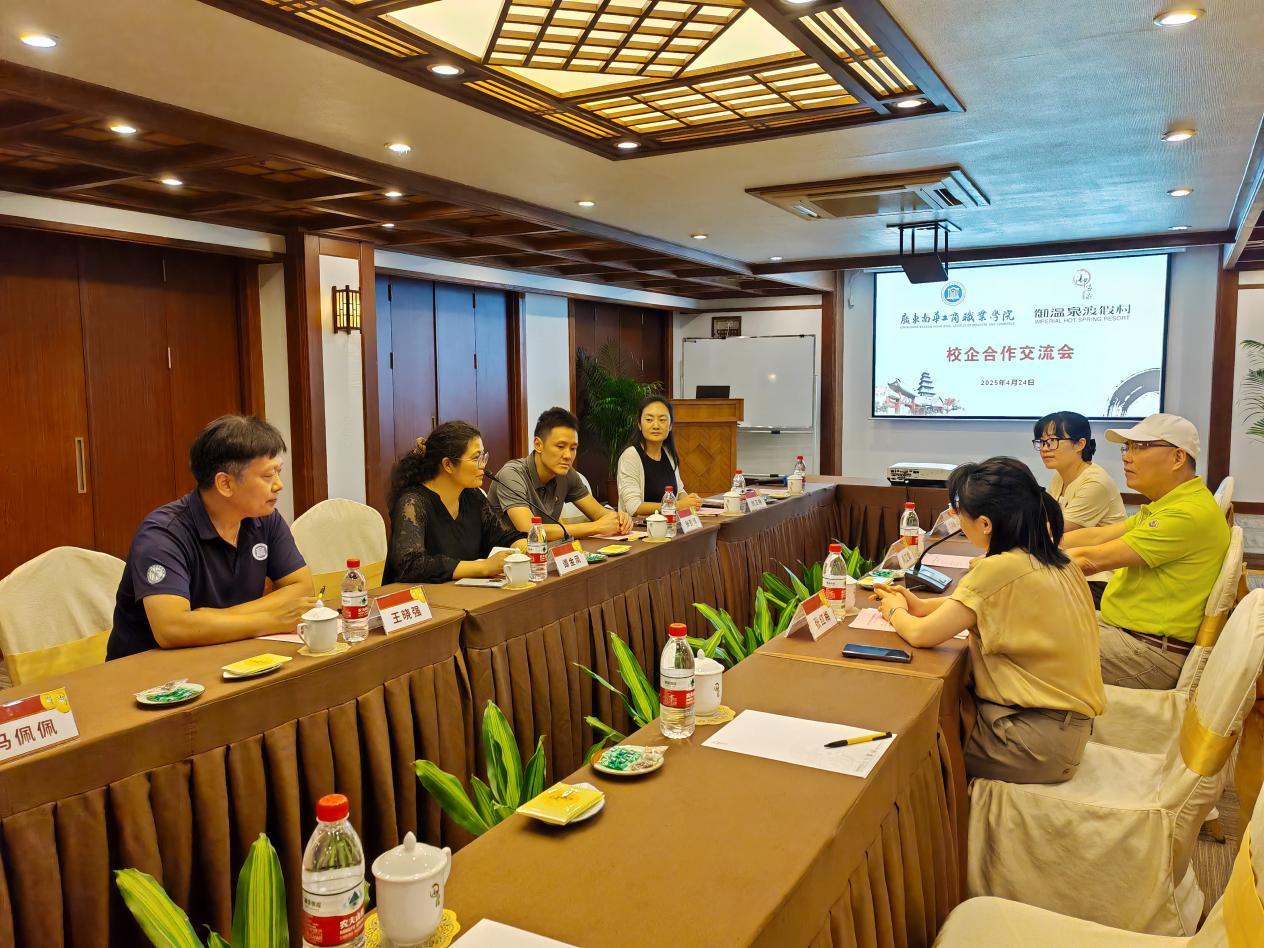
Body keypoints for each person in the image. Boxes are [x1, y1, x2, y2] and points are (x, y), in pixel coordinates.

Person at [874, 457, 1104, 784]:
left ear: (985, 523)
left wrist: (894, 609)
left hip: (1032, 742)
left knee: (910, 748)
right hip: (1060, 732)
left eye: (960, 512)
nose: (957, 519)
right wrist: (922, 605)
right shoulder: (1051, 558)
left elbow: (922, 635)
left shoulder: (1000, 568)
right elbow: (984, 603)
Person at [106, 415, 314, 660]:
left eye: (279, 472)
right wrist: (270, 620)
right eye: (268, 476)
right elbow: (172, 629)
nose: (279, 485)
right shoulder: (163, 534)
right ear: (225, 484)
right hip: (150, 670)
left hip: (227, 652)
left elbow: (302, 589)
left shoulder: (263, 518)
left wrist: (214, 617)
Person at [1062, 413, 1230, 690]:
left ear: (1178, 457)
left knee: (1016, 648)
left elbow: (1090, 560)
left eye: (1139, 447)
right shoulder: (1172, 502)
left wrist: (1016, 563)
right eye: (1126, 448)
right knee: (1026, 630)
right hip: (1127, 632)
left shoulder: (1186, 513)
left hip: (1148, 652)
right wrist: (1035, 542)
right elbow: (1099, 535)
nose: (1126, 457)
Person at [384, 422, 526, 584]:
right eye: (476, 458)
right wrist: (483, 567)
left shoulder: (473, 496)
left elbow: (504, 536)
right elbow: (410, 565)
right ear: (448, 465)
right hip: (418, 596)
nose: (483, 466)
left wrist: (527, 548)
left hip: (462, 593)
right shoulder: (412, 502)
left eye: (483, 457)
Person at [488, 407, 632, 540]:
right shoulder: (512, 474)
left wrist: (620, 519)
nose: (568, 455)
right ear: (538, 444)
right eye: (560, 446)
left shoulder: (566, 473)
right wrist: (595, 527)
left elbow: (597, 513)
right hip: (507, 556)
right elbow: (529, 529)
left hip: (545, 553)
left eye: (573, 448)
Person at [1033, 410, 1126, 607]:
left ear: (1080, 444)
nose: (1045, 449)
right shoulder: (1059, 478)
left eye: (1053, 441)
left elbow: (1054, 531)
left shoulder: (1095, 482)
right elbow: (1044, 521)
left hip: (1099, 577)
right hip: (1067, 566)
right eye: (1041, 442)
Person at [617, 396, 704, 517]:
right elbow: (634, 507)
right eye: (649, 420)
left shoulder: (668, 453)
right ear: (639, 424)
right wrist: (677, 505)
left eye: (662, 420)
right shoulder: (630, 456)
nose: (656, 425)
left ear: (670, 425)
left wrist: (690, 500)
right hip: (641, 526)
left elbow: (679, 491)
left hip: (670, 523)